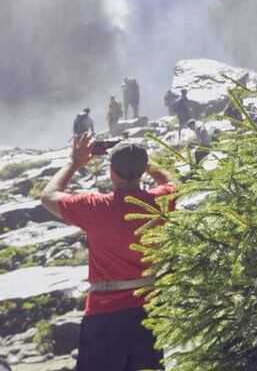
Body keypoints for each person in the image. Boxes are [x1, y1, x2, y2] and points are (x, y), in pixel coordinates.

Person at [40, 135, 176, 370]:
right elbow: (173, 182)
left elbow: (48, 196)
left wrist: (74, 161)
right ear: (143, 171)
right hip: (149, 311)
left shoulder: (95, 207)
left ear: (111, 172)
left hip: (105, 313)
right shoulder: (159, 202)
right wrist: (144, 161)